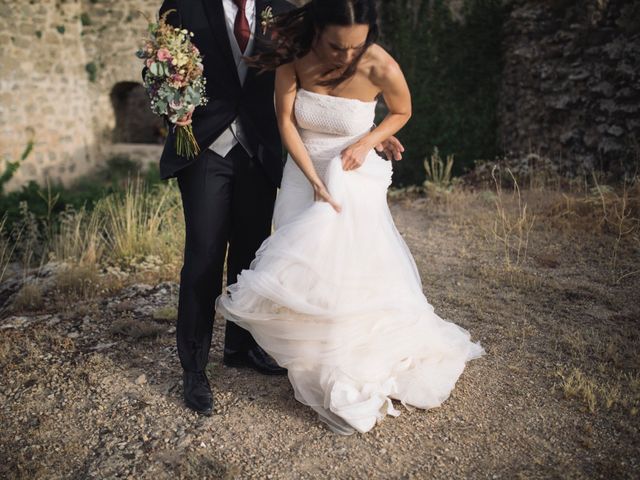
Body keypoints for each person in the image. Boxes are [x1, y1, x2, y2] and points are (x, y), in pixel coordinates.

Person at [215, 0, 486, 435]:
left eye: (356, 47)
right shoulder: (293, 56)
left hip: (355, 171)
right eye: (337, 46)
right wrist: (314, 180)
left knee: (348, 266)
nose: (346, 57)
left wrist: (369, 141)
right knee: (298, 265)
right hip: (304, 168)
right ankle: (308, 348)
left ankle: (343, 352)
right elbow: (286, 122)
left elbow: (402, 111)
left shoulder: (379, 65)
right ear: (317, 31)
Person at [145, 0, 405, 417]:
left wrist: (370, 131)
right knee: (203, 259)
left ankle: (241, 345)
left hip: (262, 150)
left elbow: (324, 74)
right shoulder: (184, 5)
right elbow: (154, 69)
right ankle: (194, 367)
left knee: (253, 253)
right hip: (206, 146)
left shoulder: (284, 12)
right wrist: (171, 98)